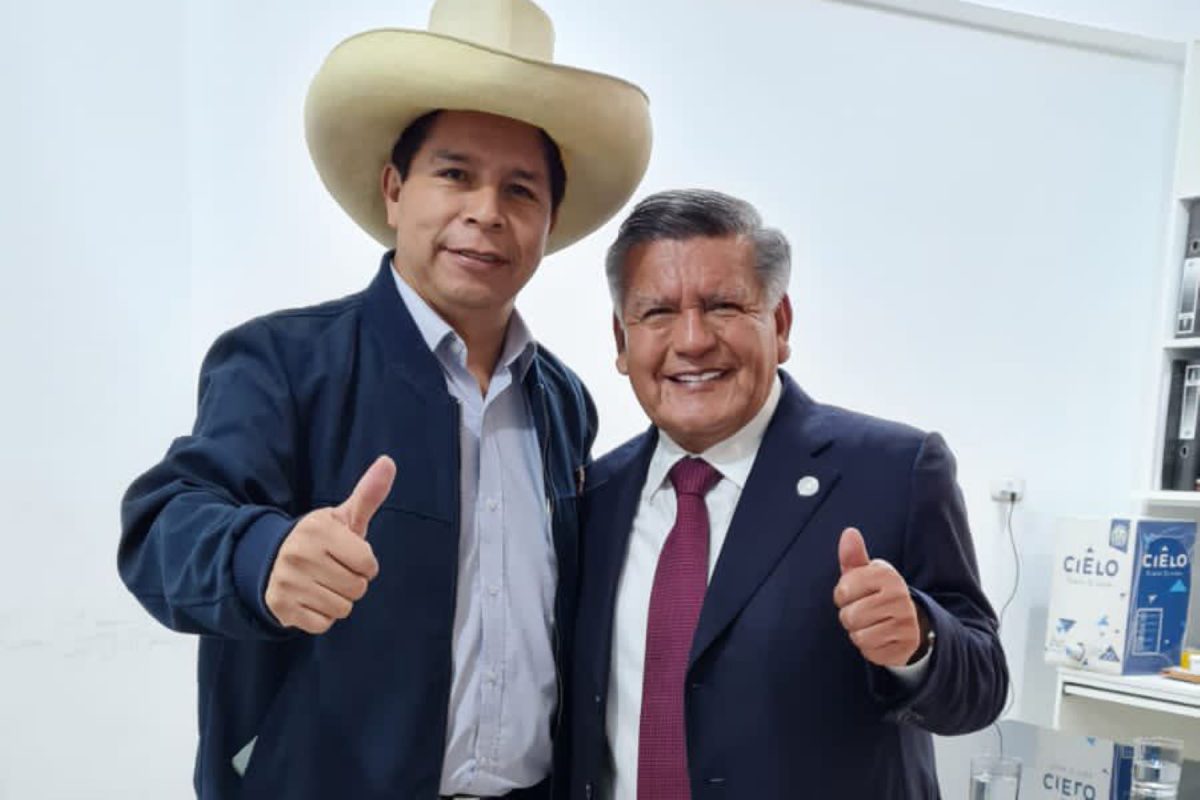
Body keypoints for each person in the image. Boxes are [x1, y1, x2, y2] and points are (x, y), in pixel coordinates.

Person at [117, 1, 651, 797]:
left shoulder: (564, 401)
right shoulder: (282, 362)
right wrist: (264, 557)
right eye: (455, 174)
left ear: (549, 221)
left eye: (520, 190)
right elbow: (162, 527)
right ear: (395, 190)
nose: (486, 212)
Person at [569, 189, 1008, 798]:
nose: (692, 340)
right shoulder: (595, 496)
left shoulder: (894, 471)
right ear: (622, 341)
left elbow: (983, 687)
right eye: (658, 313)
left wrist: (919, 642)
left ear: (779, 323)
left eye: (723, 306)